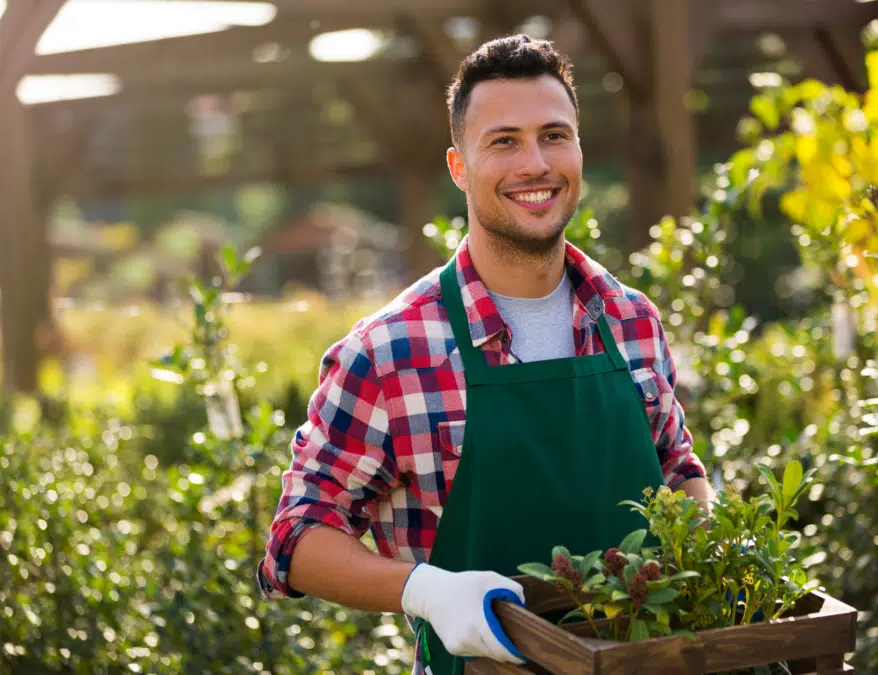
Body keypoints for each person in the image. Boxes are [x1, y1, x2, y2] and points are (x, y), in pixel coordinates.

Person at [257, 34, 712, 674]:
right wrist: (425, 590)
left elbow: (677, 469)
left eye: (555, 135)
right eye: (504, 141)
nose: (535, 163)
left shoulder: (631, 320)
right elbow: (295, 539)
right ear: (459, 167)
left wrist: (710, 561)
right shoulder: (389, 352)